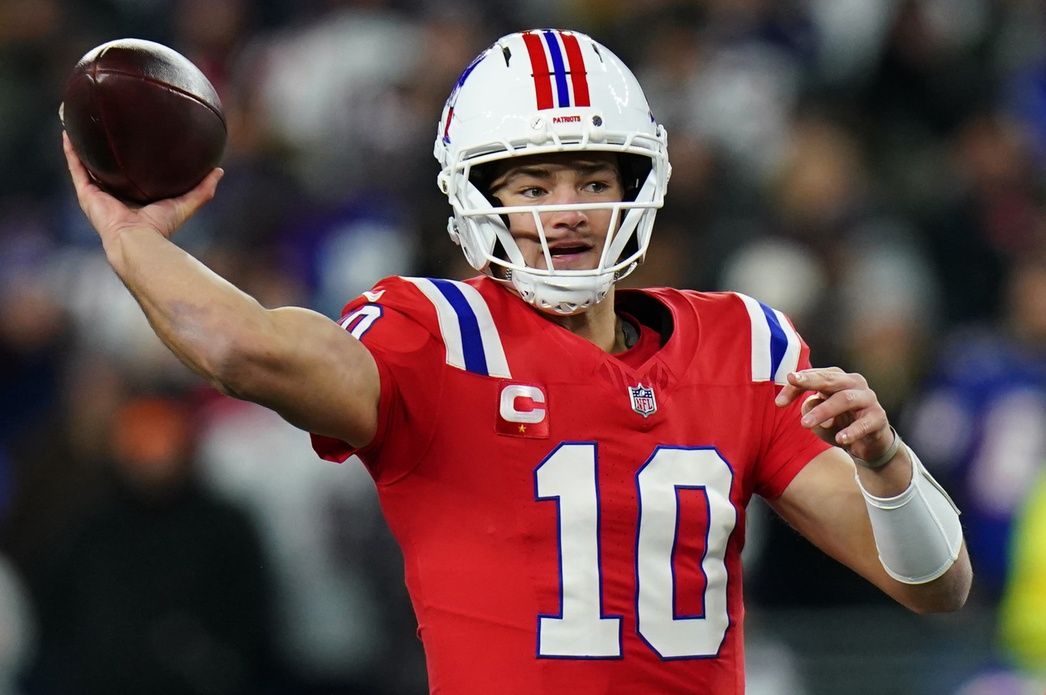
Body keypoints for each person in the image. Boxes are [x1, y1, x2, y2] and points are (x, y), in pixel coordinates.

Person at [62, 28, 972, 695]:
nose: (566, 212)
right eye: (533, 187)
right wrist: (133, 243)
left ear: (637, 188)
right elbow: (240, 345)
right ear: (477, 203)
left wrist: (888, 464)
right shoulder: (438, 336)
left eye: (591, 181)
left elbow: (934, 586)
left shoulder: (742, 343)